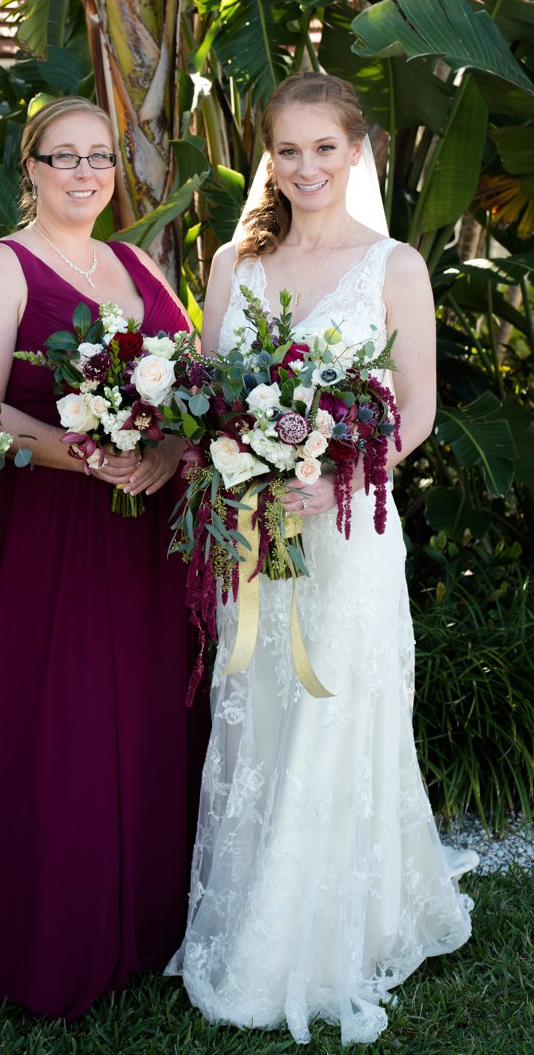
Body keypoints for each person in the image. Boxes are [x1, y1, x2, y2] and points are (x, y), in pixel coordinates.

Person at [166, 73, 475, 1046]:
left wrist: (341, 474)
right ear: (270, 155)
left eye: (324, 148)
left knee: (339, 703)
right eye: (287, 149)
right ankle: (255, 907)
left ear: (357, 152)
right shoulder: (233, 263)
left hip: (350, 531)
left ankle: (330, 925)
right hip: (255, 530)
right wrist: (246, 464)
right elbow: (217, 397)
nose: (305, 167)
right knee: (258, 702)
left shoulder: (393, 264)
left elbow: (415, 408)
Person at [0, 96, 199, 1018]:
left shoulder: (137, 263)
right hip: (52, 528)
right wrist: (82, 453)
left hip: (147, 536)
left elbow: (190, 388)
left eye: (99, 158)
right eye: (64, 157)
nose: (85, 173)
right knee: (63, 722)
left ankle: (151, 930)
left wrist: (163, 454)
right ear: (32, 169)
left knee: (151, 717)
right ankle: (44, 937)